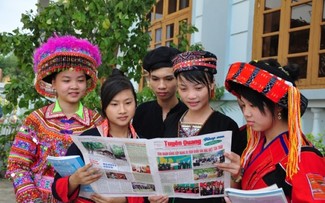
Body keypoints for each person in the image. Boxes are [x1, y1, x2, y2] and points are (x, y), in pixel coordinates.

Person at [5, 35, 103, 203]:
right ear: (53, 83)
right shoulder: (36, 120)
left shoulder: (97, 121)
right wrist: (32, 199)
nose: (74, 86)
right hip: (40, 198)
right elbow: (18, 165)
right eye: (66, 80)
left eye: (80, 80)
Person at [217, 59, 325, 202]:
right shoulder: (252, 144)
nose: (246, 113)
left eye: (252, 105)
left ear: (278, 105)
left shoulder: (302, 157)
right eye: (243, 106)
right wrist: (237, 175)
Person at [149, 51, 247, 203]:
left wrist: (236, 175)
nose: (191, 96)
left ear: (212, 84)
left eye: (198, 88)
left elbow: (232, 188)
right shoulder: (171, 121)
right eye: (183, 88)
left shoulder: (226, 126)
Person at [52, 69, 144, 203]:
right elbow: (56, 189)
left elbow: (149, 193)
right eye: (114, 104)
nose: (122, 110)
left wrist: (123, 200)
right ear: (104, 106)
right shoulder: (86, 140)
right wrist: (74, 180)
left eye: (128, 103)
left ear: (135, 103)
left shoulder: (142, 143)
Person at [133, 46, 187, 139]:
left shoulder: (188, 114)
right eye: (155, 79)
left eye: (168, 79)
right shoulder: (141, 112)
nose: (161, 86)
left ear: (179, 78)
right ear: (148, 78)